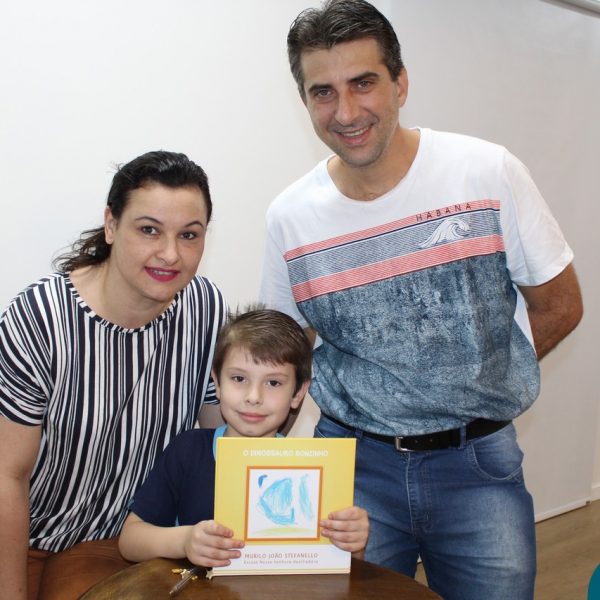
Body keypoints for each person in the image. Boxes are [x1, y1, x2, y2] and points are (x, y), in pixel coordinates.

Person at [258, 1, 584, 599]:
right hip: (353, 471)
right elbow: (282, 350)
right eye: (323, 92)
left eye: (363, 83)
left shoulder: (486, 172)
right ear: (304, 101)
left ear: (400, 83)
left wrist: (471, 379)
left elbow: (561, 304)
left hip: (477, 464)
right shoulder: (290, 217)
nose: (346, 111)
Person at [0, 150, 227, 600]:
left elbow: (226, 441)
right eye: (149, 230)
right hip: (28, 537)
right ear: (110, 225)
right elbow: (8, 475)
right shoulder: (40, 318)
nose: (170, 254)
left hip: (129, 544)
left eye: (189, 235)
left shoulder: (205, 309)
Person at [118, 308, 369, 566]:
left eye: (273, 383)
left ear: (298, 393)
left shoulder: (310, 470)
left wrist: (353, 543)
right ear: (217, 383)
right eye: (239, 378)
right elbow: (130, 541)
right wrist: (185, 541)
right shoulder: (188, 450)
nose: (253, 397)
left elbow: (338, 562)